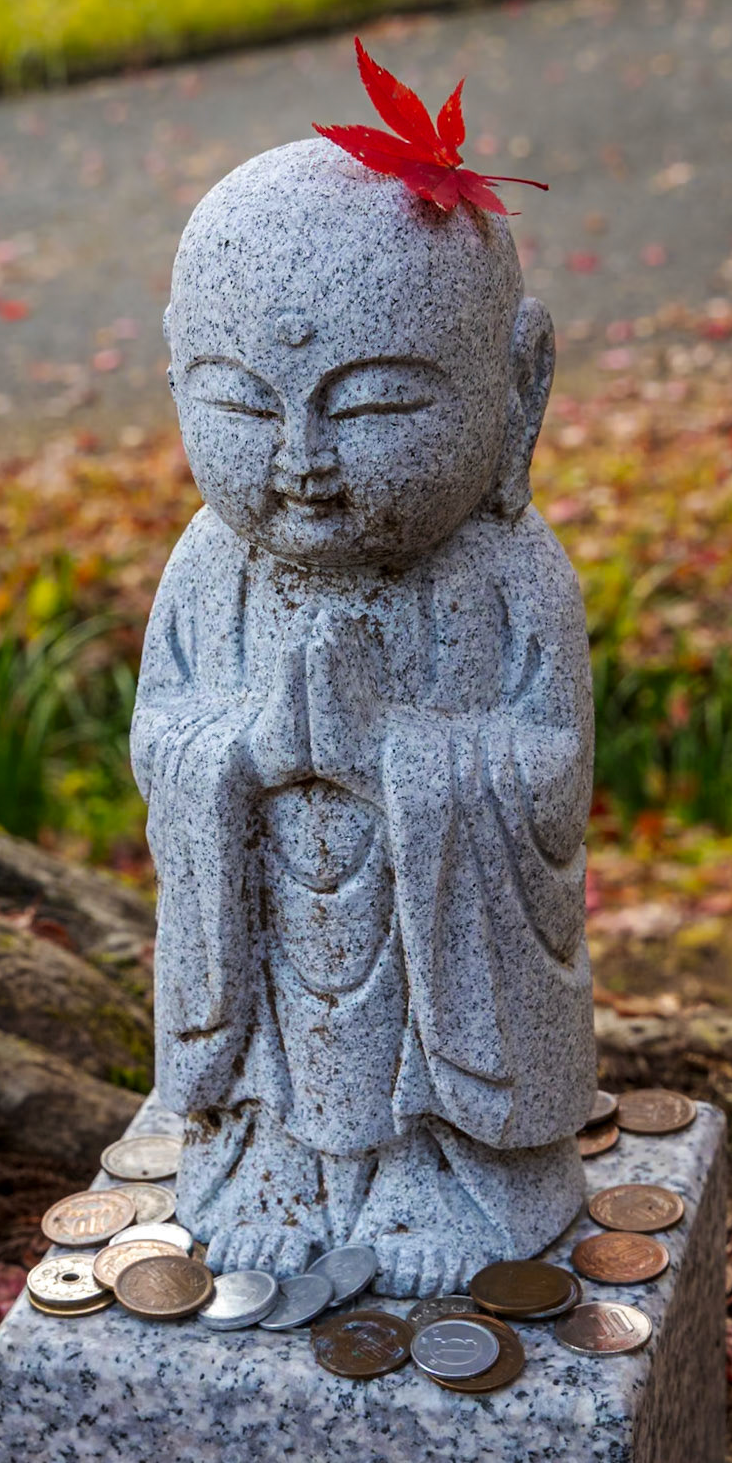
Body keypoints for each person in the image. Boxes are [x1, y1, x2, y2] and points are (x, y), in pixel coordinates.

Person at [132, 138, 595, 1296]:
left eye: (376, 402)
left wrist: (395, 754)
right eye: (243, 401)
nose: (303, 460)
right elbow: (162, 738)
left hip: (445, 985)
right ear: (179, 382)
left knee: (436, 1097)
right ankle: (270, 1171)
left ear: (520, 381)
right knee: (275, 1073)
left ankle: (447, 1174)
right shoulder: (208, 570)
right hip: (276, 952)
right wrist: (246, 752)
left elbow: (551, 771)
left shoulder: (510, 575)